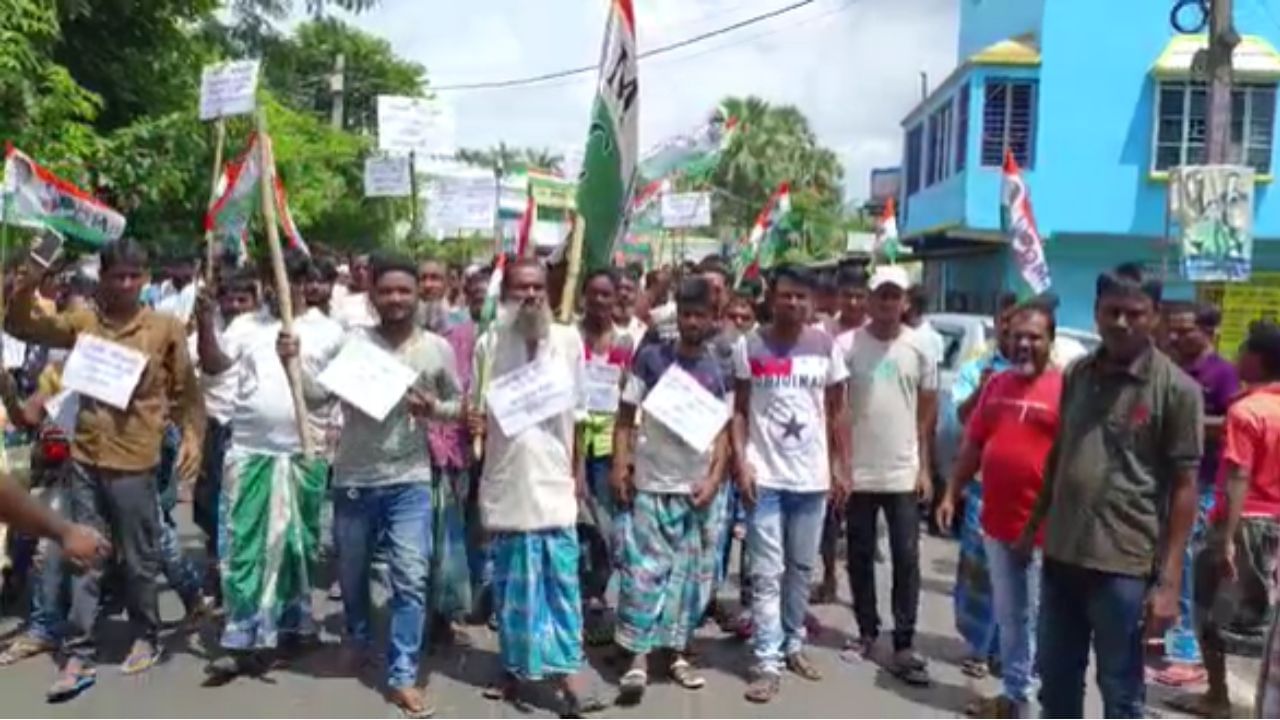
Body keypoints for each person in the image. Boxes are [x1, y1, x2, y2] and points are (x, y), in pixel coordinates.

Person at [5, 238, 204, 700]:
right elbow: (22, 323)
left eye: (136, 277)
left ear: (146, 279)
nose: (127, 284)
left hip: (137, 460)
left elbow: (188, 392)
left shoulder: (165, 328)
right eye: (119, 276)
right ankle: (79, 647)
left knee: (140, 558)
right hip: (86, 458)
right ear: (105, 278)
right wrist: (31, 275)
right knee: (85, 557)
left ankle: (146, 633)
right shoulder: (84, 322)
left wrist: (195, 436)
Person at [1020, 263, 1203, 718]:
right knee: (1057, 685)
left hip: (1123, 566)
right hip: (1063, 556)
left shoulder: (1177, 391)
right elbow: (1061, 454)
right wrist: (1032, 529)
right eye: (1112, 311)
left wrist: (1170, 581)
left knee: (1121, 691)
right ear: (1098, 313)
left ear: (1155, 316)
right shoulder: (1078, 374)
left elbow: (1184, 487)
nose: (1121, 322)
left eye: (1134, 313)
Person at [328, 253, 462, 717]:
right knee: (351, 572)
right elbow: (312, 395)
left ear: (419, 295)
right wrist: (292, 360)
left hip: (410, 479)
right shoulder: (352, 344)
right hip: (353, 479)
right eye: (387, 291)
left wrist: (435, 412)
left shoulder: (436, 350)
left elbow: (459, 406)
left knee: (411, 576)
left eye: (405, 290)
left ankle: (403, 672)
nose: (397, 299)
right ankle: (360, 637)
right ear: (373, 296)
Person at [196, 251, 340, 683]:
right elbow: (215, 365)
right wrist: (205, 322)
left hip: (303, 454)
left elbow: (339, 389)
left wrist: (294, 361)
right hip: (249, 451)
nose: (282, 291)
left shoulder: (329, 333)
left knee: (297, 545)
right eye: (274, 283)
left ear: (304, 285)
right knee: (245, 545)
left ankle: (291, 628)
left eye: (291, 282)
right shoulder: (245, 326)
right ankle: (242, 637)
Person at [472, 259, 603, 716]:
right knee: (511, 586)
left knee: (561, 581)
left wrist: (580, 472)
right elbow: (477, 410)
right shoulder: (489, 343)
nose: (529, 296)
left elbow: (582, 413)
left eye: (536, 288)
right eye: (520, 288)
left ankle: (567, 669)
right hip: (508, 481)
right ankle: (514, 667)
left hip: (554, 481)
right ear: (505, 294)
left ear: (548, 293)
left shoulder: (567, 342)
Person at [936, 300, 1063, 717]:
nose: (1024, 344)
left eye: (1034, 337)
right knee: (1009, 616)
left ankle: (1033, 702)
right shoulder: (996, 385)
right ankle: (1015, 696)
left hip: (1045, 532)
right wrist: (951, 492)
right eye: (1017, 336)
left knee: (1034, 618)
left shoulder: (1067, 389)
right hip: (996, 523)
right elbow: (973, 443)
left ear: (1051, 341)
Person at [732, 264, 850, 703]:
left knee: (801, 569)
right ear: (772, 297)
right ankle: (766, 661)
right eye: (786, 295)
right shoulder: (749, 345)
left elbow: (838, 411)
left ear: (813, 302)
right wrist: (742, 463)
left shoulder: (824, 346)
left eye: (802, 297)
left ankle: (793, 643)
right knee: (767, 572)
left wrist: (842, 468)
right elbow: (739, 411)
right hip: (765, 477)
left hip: (812, 479)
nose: (794, 303)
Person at [610, 277, 731, 704]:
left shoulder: (720, 367)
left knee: (691, 577)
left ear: (713, 319)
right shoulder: (651, 360)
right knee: (644, 573)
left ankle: (676, 653)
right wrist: (619, 465)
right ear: (677, 317)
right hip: (651, 481)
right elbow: (625, 417)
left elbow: (724, 433)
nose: (692, 322)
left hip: (696, 488)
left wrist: (715, 479)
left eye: (700, 315)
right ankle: (637, 659)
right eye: (686, 315)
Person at [1173, 323, 1280, 717]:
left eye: (1243, 349)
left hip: (1245, 522)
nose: (1235, 356)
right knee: (1265, 624)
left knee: (1209, 611)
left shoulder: (1246, 412)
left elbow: (1238, 474)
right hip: (1276, 524)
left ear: (1257, 359)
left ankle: (1218, 695)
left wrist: (1227, 537)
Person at [843, 265, 938, 686]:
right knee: (860, 556)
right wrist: (839, 466)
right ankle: (867, 630)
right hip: (858, 474)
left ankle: (903, 640)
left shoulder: (921, 348)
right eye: (880, 295)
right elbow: (838, 410)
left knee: (907, 559)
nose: (887, 304)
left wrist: (924, 468)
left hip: (903, 473)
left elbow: (928, 410)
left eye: (894, 296)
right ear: (869, 299)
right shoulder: (848, 346)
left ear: (905, 302)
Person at [1154, 301, 1241, 688]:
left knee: (1185, 567)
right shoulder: (1171, 367)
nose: (1175, 336)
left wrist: (1187, 418)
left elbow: (1231, 422)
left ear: (1208, 331)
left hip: (1202, 484)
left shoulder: (1221, 374)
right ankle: (1164, 639)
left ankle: (1187, 656)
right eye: (1171, 328)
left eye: (1184, 329)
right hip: (1166, 481)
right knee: (1165, 563)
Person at [937, 293, 1018, 681]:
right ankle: (978, 645)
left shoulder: (1047, 372)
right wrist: (982, 389)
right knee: (977, 571)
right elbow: (963, 418)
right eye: (1005, 321)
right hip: (982, 488)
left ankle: (1005, 650)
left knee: (1017, 576)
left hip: (1026, 497)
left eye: (1019, 324)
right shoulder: (979, 366)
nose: (1012, 331)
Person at [193, 267, 260, 603]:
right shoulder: (208, 330)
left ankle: (234, 576)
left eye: (242, 299)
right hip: (213, 429)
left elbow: (216, 362)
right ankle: (216, 565)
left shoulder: (259, 332)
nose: (235, 305)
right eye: (229, 298)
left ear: (255, 301)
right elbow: (204, 363)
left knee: (238, 510)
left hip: (246, 431)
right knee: (208, 507)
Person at [418, 256, 475, 644]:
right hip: (408, 449)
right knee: (416, 537)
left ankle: (445, 613)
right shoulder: (402, 331)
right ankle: (417, 611)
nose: (429, 285)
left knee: (448, 535)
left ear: (449, 282)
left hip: (452, 445)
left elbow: (470, 387)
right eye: (422, 278)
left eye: (436, 277)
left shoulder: (464, 331)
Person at [575, 269, 633, 645]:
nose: (599, 301)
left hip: (610, 447)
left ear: (617, 299)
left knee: (610, 533)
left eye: (606, 295)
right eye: (593, 294)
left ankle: (597, 594)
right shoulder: (569, 340)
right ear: (583, 296)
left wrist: (622, 462)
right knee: (579, 531)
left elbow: (630, 406)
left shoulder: (626, 345)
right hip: (574, 444)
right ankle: (581, 605)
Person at [812, 265, 870, 606]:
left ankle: (860, 588)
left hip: (865, 437)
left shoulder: (873, 334)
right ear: (837, 297)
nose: (852, 301)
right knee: (830, 518)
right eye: (847, 295)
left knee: (859, 521)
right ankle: (829, 576)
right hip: (827, 432)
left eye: (859, 296)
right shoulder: (824, 333)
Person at [333, 253, 376, 329]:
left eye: (366, 268)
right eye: (357, 268)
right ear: (350, 270)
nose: (361, 272)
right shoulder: (337, 293)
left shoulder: (380, 296)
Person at [613, 267, 647, 345]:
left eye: (629, 289)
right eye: (618, 288)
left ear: (637, 294)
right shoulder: (594, 327)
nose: (623, 294)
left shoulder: (643, 332)